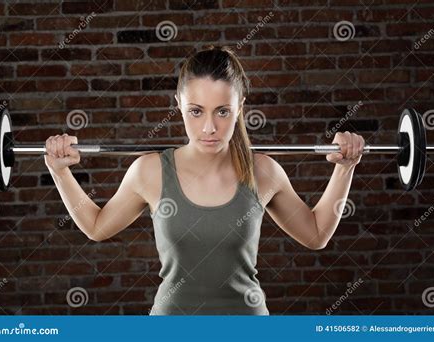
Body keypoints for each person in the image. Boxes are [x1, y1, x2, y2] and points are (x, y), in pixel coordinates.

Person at [45, 45, 365, 315]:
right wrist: (60, 172)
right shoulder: (151, 171)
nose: (209, 128)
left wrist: (345, 167)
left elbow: (316, 234)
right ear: (179, 106)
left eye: (222, 111)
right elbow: (97, 226)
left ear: (239, 108)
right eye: (196, 112)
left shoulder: (263, 172)